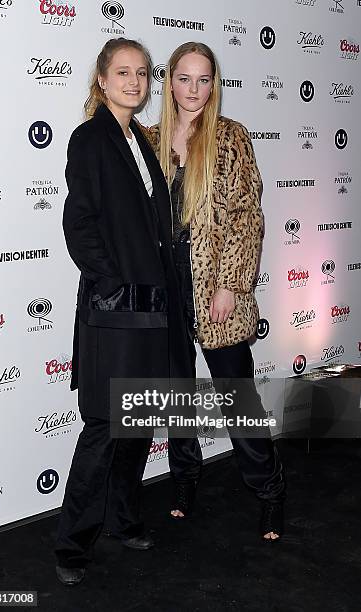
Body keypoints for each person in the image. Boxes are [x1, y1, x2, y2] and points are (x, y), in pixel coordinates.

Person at [54, 37, 194, 586]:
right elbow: (79, 222)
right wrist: (111, 283)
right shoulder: (89, 139)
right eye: (122, 72)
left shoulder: (140, 139)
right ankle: (71, 543)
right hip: (114, 312)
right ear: (102, 80)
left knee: (136, 426)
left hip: (153, 309)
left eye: (141, 73)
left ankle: (122, 518)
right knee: (105, 427)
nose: (134, 82)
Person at [148, 42, 286, 539]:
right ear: (169, 82)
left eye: (203, 79)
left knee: (236, 396)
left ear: (214, 84)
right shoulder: (151, 139)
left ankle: (269, 492)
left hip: (215, 285)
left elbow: (248, 216)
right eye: (184, 78)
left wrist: (231, 283)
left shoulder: (231, 137)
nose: (194, 89)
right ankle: (184, 479)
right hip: (167, 286)